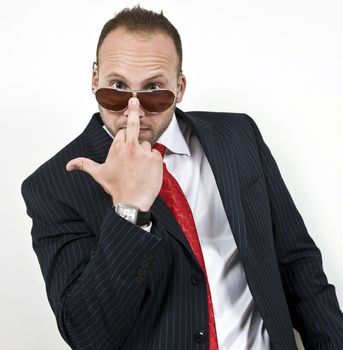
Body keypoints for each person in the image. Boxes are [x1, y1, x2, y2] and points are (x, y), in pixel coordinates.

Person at [21, 6, 343, 350]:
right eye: (116, 88)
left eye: (154, 90)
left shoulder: (237, 137)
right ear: (94, 80)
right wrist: (129, 212)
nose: (134, 110)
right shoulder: (53, 185)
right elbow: (87, 335)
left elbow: (297, 263)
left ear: (180, 87)